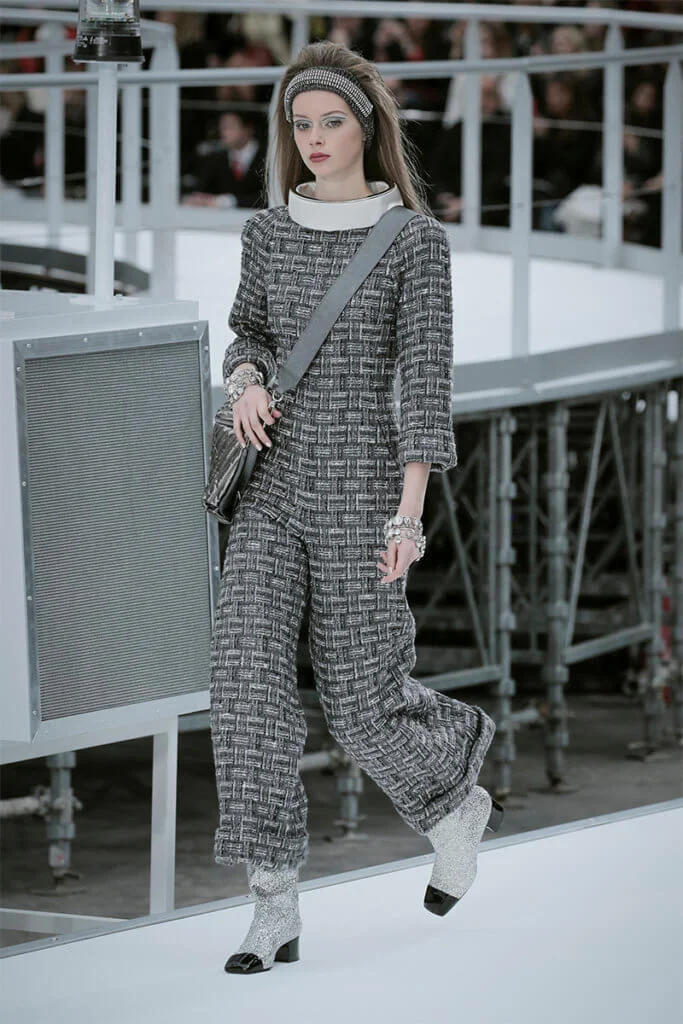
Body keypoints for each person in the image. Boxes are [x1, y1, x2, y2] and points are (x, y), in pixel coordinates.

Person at [209, 40, 502, 977]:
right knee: (245, 687)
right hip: (271, 482)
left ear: (365, 127)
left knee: (361, 700)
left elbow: (424, 380)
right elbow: (248, 333)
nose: (314, 137)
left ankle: (452, 802)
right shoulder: (267, 231)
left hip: (364, 491)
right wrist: (247, 381)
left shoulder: (413, 242)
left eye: (331, 120)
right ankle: (271, 904)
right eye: (300, 123)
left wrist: (408, 514)